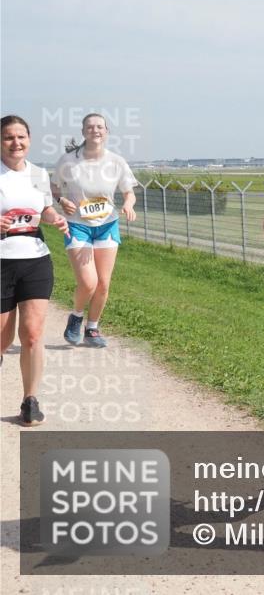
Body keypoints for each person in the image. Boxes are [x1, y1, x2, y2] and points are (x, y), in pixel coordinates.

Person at [1, 115, 70, 425]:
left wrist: (56, 218)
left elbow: (44, 208)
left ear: (29, 139)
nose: (16, 143)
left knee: (31, 334)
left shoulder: (39, 175)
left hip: (35, 257)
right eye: (8, 137)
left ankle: (30, 400)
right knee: (2, 339)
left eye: (21, 137)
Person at [51, 113, 138, 348]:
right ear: (83, 132)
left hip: (107, 225)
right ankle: (76, 316)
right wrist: (61, 200)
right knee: (88, 282)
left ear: (107, 131)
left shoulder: (116, 162)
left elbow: (129, 192)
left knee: (103, 284)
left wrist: (128, 204)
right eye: (90, 127)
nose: (95, 130)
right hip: (78, 225)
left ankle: (92, 328)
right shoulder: (68, 161)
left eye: (100, 126)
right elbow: (54, 186)